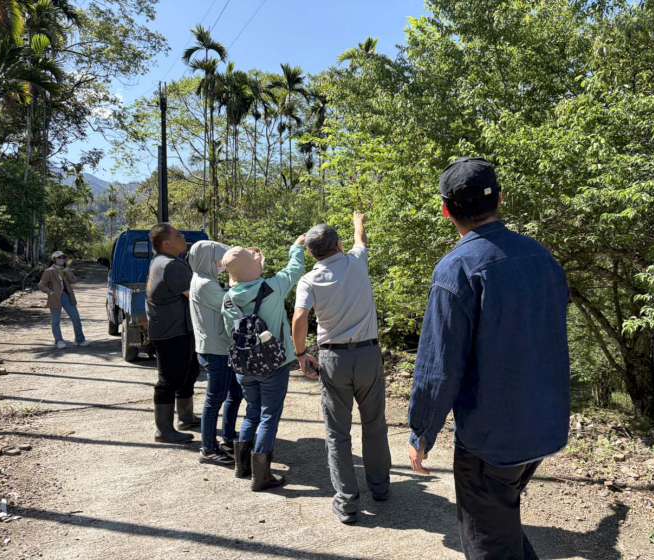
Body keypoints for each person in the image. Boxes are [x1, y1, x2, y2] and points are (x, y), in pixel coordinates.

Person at [407, 158, 570, 560]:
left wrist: (421, 434)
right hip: (544, 427)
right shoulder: (542, 258)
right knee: (500, 521)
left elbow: (438, 366)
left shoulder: (456, 270)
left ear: (446, 210)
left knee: (488, 543)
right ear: (500, 198)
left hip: (491, 441)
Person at [291, 212, 391, 525]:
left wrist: (301, 353)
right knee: (374, 423)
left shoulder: (308, 280)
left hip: (333, 360)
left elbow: (299, 319)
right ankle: (380, 486)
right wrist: (358, 219)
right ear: (339, 244)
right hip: (368, 355)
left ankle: (347, 502)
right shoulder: (357, 262)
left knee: (337, 433)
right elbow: (362, 240)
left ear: (311, 253)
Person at [221, 237, 306, 491]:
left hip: (243, 367)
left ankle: (242, 467)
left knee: (252, 412)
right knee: (269, 415)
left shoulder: (227, 299)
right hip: (273, 365)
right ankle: (261, 476)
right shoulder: (272, 287)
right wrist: (297, 247)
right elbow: (295, 269)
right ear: (254, 268)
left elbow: (230, 334)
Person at [188, 239, 244, 466]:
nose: (223, 264)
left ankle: (228, 438)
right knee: (215, 399)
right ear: (207, 261)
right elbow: (233, 304)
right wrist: (239, 280)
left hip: (220, 348)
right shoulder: (205, 284)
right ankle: (208, 448)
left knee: (234, 393)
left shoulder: (204, 279)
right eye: (219, 260)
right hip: (215, 350)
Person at [146, 223, 200, 444]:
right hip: (172, 331)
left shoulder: (163, 261)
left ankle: (186, 417)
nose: (183, 237)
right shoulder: (171, 265)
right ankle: (164, 429)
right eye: (178, 235)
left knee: (188, 372)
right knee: (169, 379)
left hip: (176, 329)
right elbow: (195, 296)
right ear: (167, 243)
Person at [38, 250, 87, 350]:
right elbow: (41, 285)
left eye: (63, 257)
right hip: (55, 298)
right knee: (56, 321)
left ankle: (80, 339)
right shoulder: (49, 271)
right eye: (59, 258)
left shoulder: (66, 269)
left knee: (76, 317)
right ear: (54, 259)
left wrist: (68, 272)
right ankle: (59, 340)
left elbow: (74, 280)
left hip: (67, 296)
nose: (61, 259)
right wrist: (50, 292)